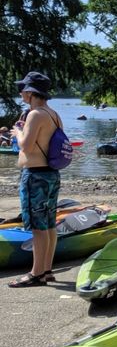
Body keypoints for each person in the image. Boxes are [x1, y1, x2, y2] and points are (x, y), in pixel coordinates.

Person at [8, 72, 62, 287]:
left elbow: (26, 146)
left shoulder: (35, 114)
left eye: (22, 89)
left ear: (30, 93)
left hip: (35, 175)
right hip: (50, 174)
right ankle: (47, 270)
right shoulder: (53, 114)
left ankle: (36, 273)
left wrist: (17, 132)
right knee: (48, 223)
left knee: (37, 227)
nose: (21, 93)